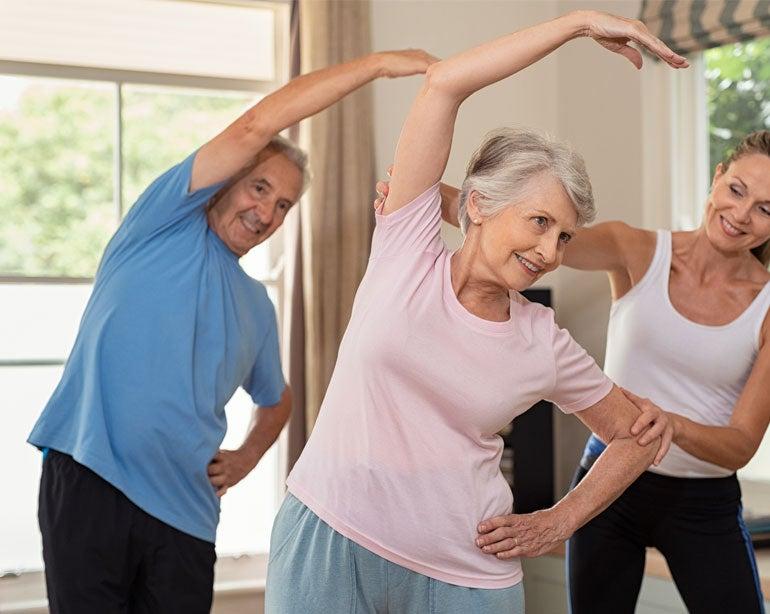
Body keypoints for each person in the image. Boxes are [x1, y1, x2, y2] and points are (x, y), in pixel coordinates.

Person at [265, 10, 686, 614]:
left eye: (565, 237)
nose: (549, 251)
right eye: (540, 222)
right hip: (329, 538)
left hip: (466, 571)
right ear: (481, 204)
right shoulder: (406, 248)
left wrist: (559, 522)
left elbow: (637, 437)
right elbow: (444, 84)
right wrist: (577, 24)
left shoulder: (542, 340)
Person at [26, 49, 436, 614]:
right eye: (260, 187)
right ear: (226, 180)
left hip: (186, 516)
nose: (268, 211)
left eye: (284, 205)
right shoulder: (160, 225)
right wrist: (378, 66)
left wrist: (243, 458)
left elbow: (279, 400)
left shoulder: (256, 308)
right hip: (91, 479)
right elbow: (256, 125)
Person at [561, 131, 770, 614]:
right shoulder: (634, 250)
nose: (741, 214)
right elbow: (537, 233)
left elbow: (740, 443)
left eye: (765, 208)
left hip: (702, 503)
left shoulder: (765, 309)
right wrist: (416, 190)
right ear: (717, 178)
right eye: (737, 190)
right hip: (606, 483)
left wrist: (671, 424)